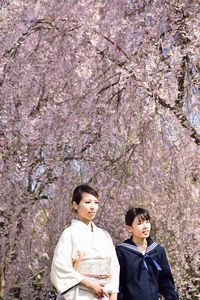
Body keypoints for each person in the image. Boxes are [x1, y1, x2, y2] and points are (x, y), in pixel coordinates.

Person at [51, 184, 119, 300]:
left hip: (103, 293)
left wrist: (113, 294)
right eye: (88, 202)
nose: (93, 207)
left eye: (96, 202)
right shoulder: (69, 233)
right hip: (79, 293)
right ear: (75, 204)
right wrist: (90, 284)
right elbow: (60, 267)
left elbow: (114, 267)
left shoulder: (104, 235)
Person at [116, 207, 179, 300]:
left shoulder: (157, 250)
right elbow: (118, 283)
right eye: (140, 223)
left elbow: (165, 281)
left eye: (147, 222)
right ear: (129, 228)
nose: (145, 226)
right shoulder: (122, 251)